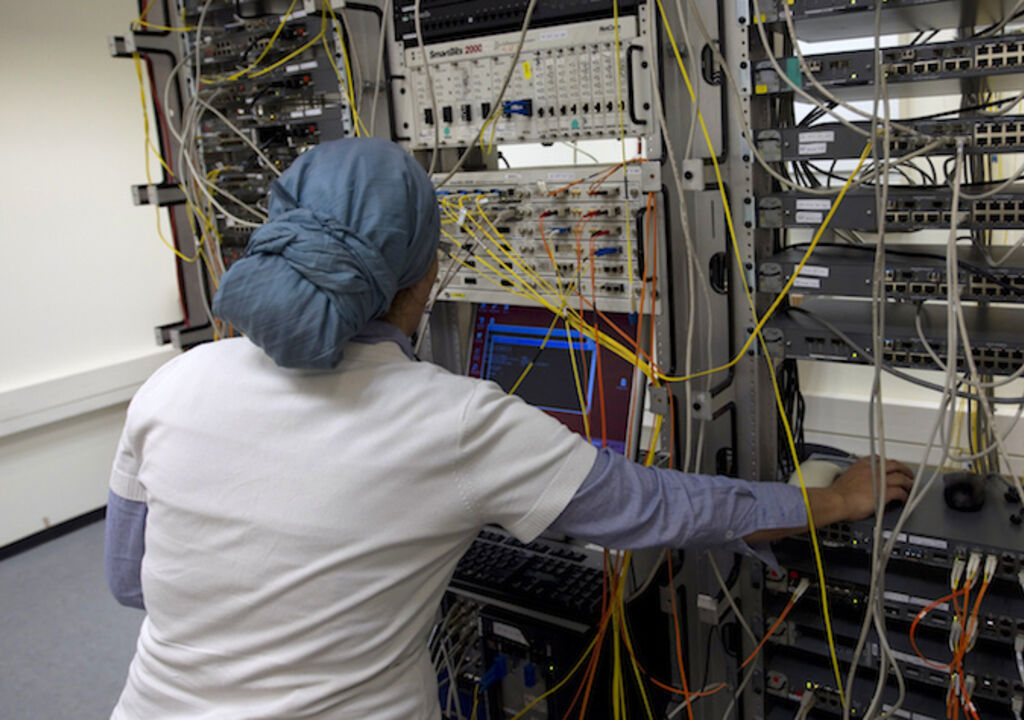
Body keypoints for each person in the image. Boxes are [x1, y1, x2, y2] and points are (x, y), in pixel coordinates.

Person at [105, 138, 914, 719]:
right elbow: (664, 507)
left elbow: (129, 581)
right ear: (423, 276)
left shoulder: (172, 383)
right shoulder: (455, 421)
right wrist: (835, 501)